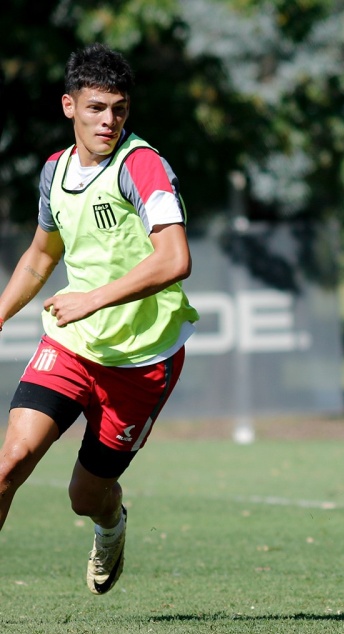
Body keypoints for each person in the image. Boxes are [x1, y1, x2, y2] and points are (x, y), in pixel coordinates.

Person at [0, 43, 198, 595]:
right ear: (69, 106)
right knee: (9, 464)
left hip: (142, 360)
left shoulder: (142, 165)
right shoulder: (55, 172)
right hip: (70, 347)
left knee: (85, 497)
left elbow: (176, 259)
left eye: (118, 108)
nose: (108, 120)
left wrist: (94, 298)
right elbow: (41, 257)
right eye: (95, 108)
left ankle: (111, 526)